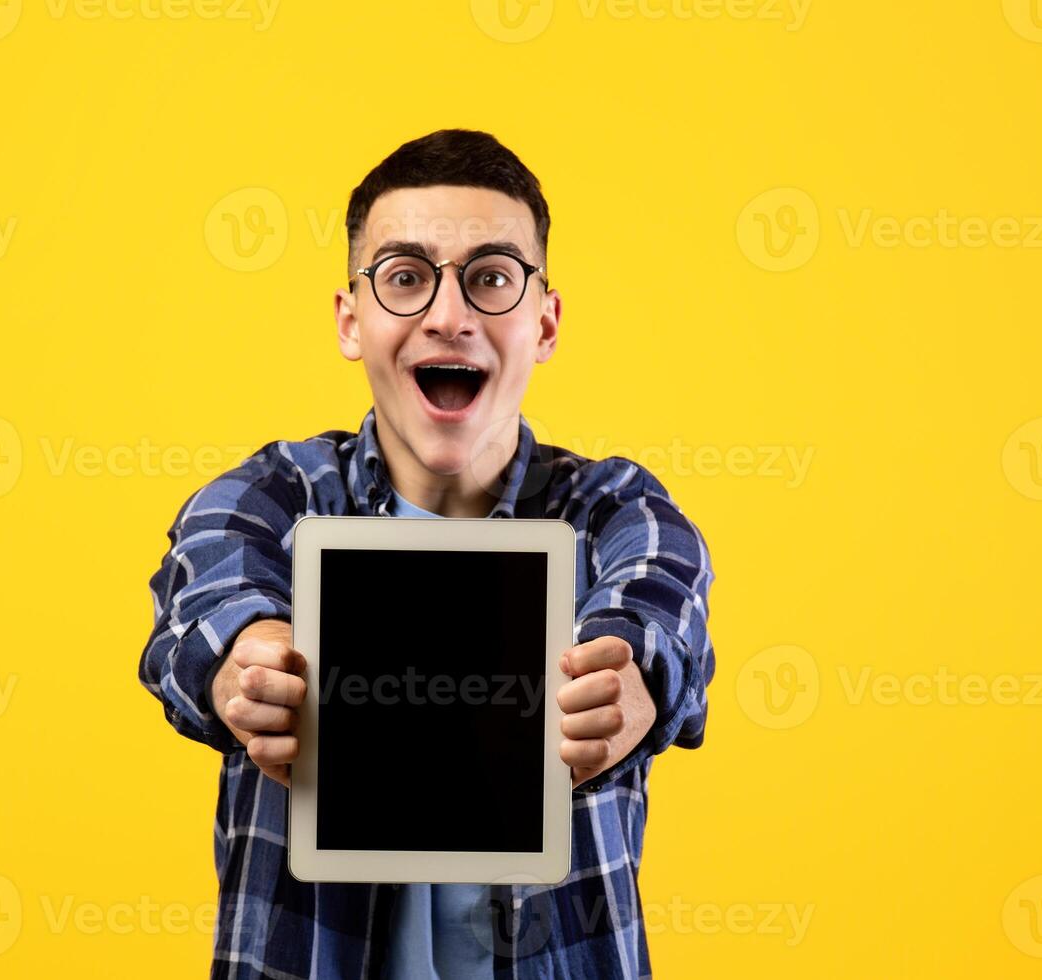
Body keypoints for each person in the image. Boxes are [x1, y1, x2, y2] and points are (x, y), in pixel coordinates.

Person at [138, 128, 715, 980]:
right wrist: (243, 663)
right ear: (351, 319)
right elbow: (207, 594)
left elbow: (661, 598)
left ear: (545, 323)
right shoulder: (272, 497)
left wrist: (632, 674)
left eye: (491, 279)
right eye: (405, 278)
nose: (448, 316)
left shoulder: (612, 512)